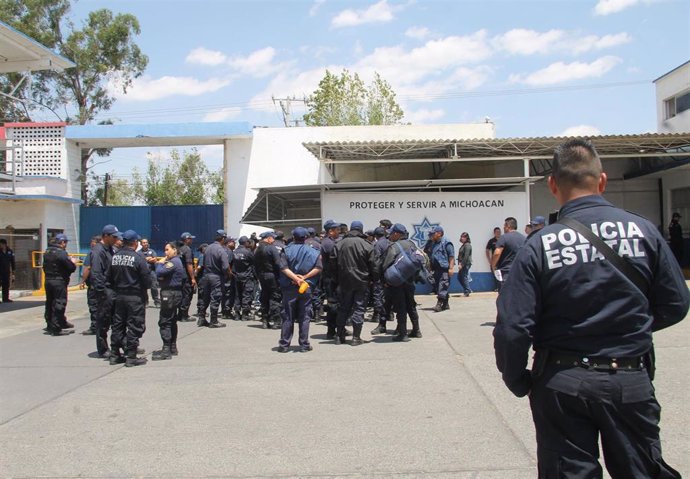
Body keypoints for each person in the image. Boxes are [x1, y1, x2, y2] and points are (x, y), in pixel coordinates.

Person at [494, 139, 690, 478]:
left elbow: (513, 326)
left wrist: (516, 378)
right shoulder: (644, 231)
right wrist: (629, 327)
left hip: (561, 381)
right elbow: (675, 304)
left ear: (553, 184)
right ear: (602, 181)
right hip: (630, 377)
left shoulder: (538, 244)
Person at [108, 230, 151, 367]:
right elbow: (147, 280)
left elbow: (108, 278)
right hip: (134, 296)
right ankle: (131, 356)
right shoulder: (138, 258)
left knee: (118, 324)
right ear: (135, 242)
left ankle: (115, 354)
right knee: (134, 325)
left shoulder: (114, 257)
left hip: (119, 295)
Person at [277, 227, 322, 352]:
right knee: (305, 316)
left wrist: (295, 278)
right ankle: (304, 344)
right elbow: (318, 268)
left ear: (293, 237)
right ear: (306, 238)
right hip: (305, 286)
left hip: (289, 287)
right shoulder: (314, 251)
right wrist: (303, 278)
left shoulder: (286, 251)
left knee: (287, 316)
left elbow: (283, 268)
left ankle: (284, 345)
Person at [332, 220, 376, 345]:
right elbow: (374, 266)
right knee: (359, 308)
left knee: (343, 308)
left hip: (344, 281)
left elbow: (332, 265)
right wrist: (373, 280)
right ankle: (356, 338)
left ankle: (339, 336)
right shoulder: (367, 245)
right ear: (361, 230)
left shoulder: (339, 244)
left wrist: (337, 280)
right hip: (361, 281)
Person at [380, 224, 422, 341]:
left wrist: (385, 281)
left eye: (391, 233)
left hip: (397, 282)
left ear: (397, 234)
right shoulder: (412, 244)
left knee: (400, 307)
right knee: (411, 305)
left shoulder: (393, 247)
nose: (390, 235)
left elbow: (385, 264)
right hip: (410, 281)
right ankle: (416, 330)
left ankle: (402, 334)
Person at [91, 224, 121, 359]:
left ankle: (119, 345)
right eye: (114, 237)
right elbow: (97, 273)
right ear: (106, 236)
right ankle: (102, 349)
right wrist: (103, 292)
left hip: (112, 289)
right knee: (103, 321)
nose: (116, 239)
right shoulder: (98, 251)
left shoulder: (110, 249)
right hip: (105, 291)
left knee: (117, 320)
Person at [152, 242, 186, 361]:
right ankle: (172, 346)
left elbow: (160, 273)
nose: (165, 252)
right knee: (171, 320)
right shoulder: (175, 261)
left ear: (174, 250)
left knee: (165, 321)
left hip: (170, 293)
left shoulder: (173, 262)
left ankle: (166, 349)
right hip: (173, 293)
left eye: (167, 250)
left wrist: (160, 264)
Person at [42, 234, 77, 335]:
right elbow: (70, 268)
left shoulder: (47, 252)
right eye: (65, 242)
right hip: (59, 281)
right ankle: (56, 327)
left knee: (50, 302)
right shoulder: (61, 253)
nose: (65, 244)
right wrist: (73, 262)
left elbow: (44, 266)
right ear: (62, 242)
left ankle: (51, 323)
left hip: (48, 280)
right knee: (59, 302)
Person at [197, 230, 230, 328]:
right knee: (215, 297)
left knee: (205, 297)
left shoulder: (208, 248)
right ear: (223, 238)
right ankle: (214, 320)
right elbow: (225, 266)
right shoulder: (221, 250)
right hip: (216, 276)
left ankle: (201, 318)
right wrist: (227, 275)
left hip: (206, 276)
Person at [254, 231, 283, 329]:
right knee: (275, 297)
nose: (274, 240)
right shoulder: (271, 248)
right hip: (272, 275)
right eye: (273, 238)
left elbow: (255, 265)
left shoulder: (257, 249)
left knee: (264, 297)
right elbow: (278, 263)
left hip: (262, 275)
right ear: (269, 238)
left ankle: (265, 320)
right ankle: (276, 321)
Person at [320, 220, 341, 338]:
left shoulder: (331, 241)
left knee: (337, 304)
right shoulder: (328, 243)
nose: (339, 232)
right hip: (331, 279)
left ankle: (337, 327)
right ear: (330, 231)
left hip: (333, 277)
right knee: (333, 305)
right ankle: (332, 331)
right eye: (336, 230)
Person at [491, 217, 525, 291]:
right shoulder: (523, 238)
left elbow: (497, 253)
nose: (503, 227)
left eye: (504, 225)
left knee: (504, 297)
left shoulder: (504, 238)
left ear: (508, 226)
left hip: (506, 272)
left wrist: (493, 266)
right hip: (520, 272)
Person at [78, 235, 101, 335]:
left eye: (92, 242)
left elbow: (87, 268)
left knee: (94, 305)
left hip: (94, 284)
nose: (91, 244)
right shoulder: (106, 251)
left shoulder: (92, 253)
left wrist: (83, 280)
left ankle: (95, 327)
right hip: (104, 284)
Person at [429, 226, 455, 312]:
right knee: (439, 286)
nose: (432, 235)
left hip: (444, 269)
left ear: (439, 233)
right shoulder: (434, 243)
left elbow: (451, 257)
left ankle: (439, 304)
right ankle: (446, 304)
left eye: (434, 233)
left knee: (443, 285)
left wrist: (451, 268)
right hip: (436, 269)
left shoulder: (447, 243)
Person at [370, 226, 390, 334]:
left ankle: (378, 317)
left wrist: (374, 277)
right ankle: (390, 315)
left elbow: (376, 262)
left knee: (379, 296)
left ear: (376, 236)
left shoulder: (377, 244)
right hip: (390, 274)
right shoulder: (389, 242)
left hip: (381, 275)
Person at [232, 236, 256, 321]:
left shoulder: (234, 252)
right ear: (246, 243)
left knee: (237, 295)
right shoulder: (248, 252)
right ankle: (245, 314)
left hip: (237, 276)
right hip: (247, 277)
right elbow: (254, 264)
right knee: (247, 295)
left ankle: (237, 313)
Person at [177, 232, 196, 322]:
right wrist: (192, 278)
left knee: (181, 295)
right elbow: (189, 264)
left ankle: (180, 314)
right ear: (187, 239)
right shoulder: (187, 249)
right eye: (190, 238)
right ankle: (184, 315)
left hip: (178, 275)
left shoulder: (178, 249)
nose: (191, 240)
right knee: (187, 295)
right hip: (186, 276)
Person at [138, 238, 160, 307]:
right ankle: (145, 301)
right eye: (144, 243)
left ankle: (157, 301)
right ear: (141, 244)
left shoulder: (152, 251)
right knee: (143, 287)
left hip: (151, 271)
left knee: (154, 286)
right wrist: (146, 259)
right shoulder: (139, 253)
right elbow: (138, 261)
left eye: (146, 242)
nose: (145, 244)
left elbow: (155, 259)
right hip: (143, 272)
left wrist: (150, 259)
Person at [456, 232, 472, 297]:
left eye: (464, 237)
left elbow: (466, 256)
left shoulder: (467, 245)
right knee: (459, 277)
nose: (462, 238)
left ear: (467, 238)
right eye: (461, 236)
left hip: (465, 264)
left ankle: (467, 291)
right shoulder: (463, 245)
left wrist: (461, 264)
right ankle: (467, 289)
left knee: (463, 277)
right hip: (462, 263)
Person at [0, 238, 16, 303]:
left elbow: (13, 262)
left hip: (6, 271)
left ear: (4, 244)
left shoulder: (10, 251)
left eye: (0, 244)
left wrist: (13, 272)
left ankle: (5, 298)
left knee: (6, 285)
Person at [485, 227, 501, 291]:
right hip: (495, 260)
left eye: (499, 232)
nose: (498, 233)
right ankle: (497, 287)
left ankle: (502, 287)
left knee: (503, 274)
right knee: (495, 274)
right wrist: (489, 260)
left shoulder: (503, 239)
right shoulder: (491, 241)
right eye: (497, 232)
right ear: (494, 233)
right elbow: (487, 250)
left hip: (502, 260)